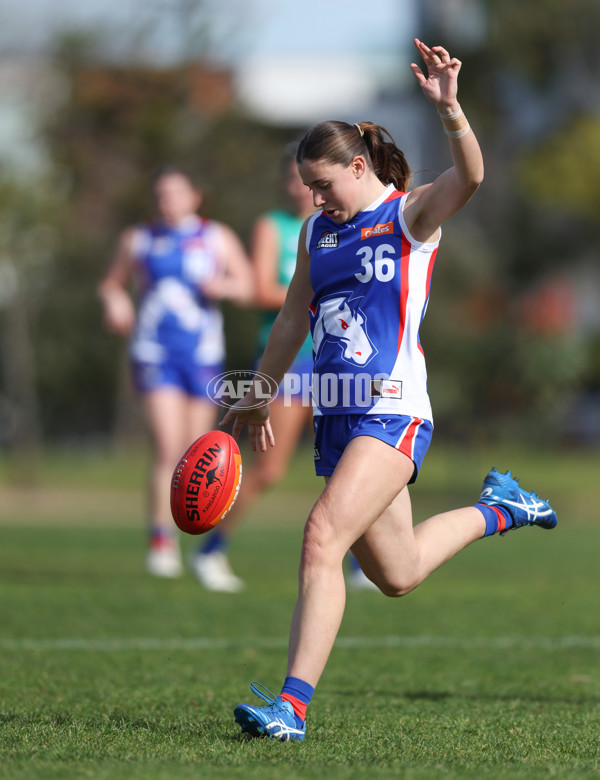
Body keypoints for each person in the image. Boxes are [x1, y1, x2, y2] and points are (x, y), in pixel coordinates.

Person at [222, 39, 558, 742]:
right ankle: (502, 509)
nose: (315, 199)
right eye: (308, 188)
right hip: (340, 419)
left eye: (324, 184)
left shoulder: (406, 218)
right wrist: (257, 393)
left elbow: (469, 178)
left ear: (358, 166)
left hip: (393, 409)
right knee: (399, 573)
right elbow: (290, 320)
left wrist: (451, 110)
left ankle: (291, 708)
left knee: (322, 538)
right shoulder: (318, 231)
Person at [99, 167, 253, 578]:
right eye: (160, 194)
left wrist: (223, 287)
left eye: (175, 193)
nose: (166, 201)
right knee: (168, 448)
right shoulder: (139, 239)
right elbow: (111, 284)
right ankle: (161, 541)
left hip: (201, 354)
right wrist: (116, 301)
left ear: (194, 197)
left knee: (196, 450)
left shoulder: (216, 236)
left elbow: (247, 284)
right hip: (155, 352)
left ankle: (200, 541)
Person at [189, 145, 316, 592]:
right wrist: (314, 297)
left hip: (337, 361)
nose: (301, 188)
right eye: (294, 178)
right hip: (288, 361)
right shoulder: (274, 226)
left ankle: (365, 565)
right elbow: (261, 290)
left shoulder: (342, 223)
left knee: (356, 463)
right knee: (268, 470)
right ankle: (210, 549)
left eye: (308, 178)